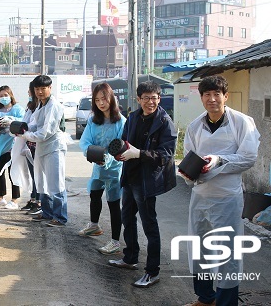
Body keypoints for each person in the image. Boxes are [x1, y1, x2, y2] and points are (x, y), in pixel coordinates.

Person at [181, 76, 259, 306]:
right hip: (201, 197)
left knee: (227, 253)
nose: (212, 99)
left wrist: (219, 160)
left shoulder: (242, 122)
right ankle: (206, 298)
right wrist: (187, 173)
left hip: (227, 197)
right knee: (200, 248)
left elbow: (248, 158)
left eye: (217, 94)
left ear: (226, 96)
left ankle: (226, 302)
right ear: (201, 97)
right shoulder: (195, 126)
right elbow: (189, 157)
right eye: (207, 95)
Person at [108, 81, 177, 288]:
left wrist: (139, 153)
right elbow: (124, 140)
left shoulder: (165, 122)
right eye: (146, 98)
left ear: (159, 98)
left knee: (149, 225)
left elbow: (167, 154)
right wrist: (121, 154)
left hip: (147, 180)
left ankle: (152, 271)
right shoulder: (133, 117)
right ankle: (130, 258)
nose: (151, 102)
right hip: (130, 176)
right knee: (127, 217)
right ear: (138, 99)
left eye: (154, 98)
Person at [78, 83, 126, 255]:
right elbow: (85, 141)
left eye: (104, 98)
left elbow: (121, 146)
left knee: (114, 203)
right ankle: (94, 225)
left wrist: (107, 159)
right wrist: (91, 153)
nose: (101, 103)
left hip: (114, 168)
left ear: (111, 98)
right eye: (97, 100)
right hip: (97, 165)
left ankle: (115, 241)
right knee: (95, 195)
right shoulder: (93, 121)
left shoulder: (121, 122)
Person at [19, 75, 68, 226]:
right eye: (37, 89)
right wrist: (23, 128)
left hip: (54, 147)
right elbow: (35, 124)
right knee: (42, 182)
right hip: (42, 148)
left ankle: (60, 217)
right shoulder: (40, 105)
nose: (40, 92)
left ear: (50, 88)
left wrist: (26, 134)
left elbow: (45, 132)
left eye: (43, 89)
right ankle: (47, 213)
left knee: (56, 183)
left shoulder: (54, 106)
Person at [12, 81, 41, 215]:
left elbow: (34, 126)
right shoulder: (30, 107)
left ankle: (38, 202)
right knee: (32, 174)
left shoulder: (39, 107)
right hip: (29, 144)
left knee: (38, 175)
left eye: (30, 91)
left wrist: (25, 131)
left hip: (36, 145)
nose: (28, 94)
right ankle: (33, 199)